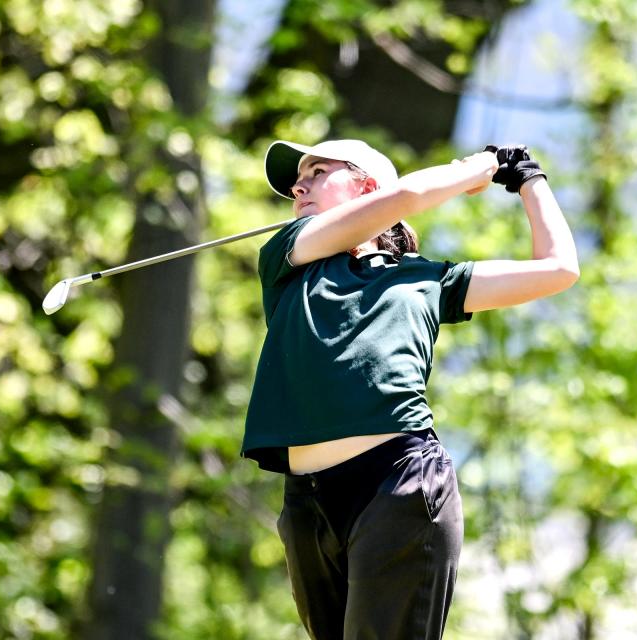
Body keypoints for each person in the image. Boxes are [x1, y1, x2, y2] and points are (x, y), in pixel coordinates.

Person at [242, 139, 579, 639]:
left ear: (367, 185)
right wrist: (480, 167)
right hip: (307, 501)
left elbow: (558, 269)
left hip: (398, 482)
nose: (298, 186)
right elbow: (410, 194)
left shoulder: (429, 280)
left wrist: (528, 178)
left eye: (317, 172)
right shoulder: (290, 257)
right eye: (299, 180)